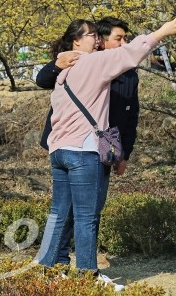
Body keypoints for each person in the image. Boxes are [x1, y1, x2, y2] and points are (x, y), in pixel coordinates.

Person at [37, 17, 176, 290]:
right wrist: (161, 32)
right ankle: (87, 276)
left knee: (58, 213)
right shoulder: (93, 63)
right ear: (76, 41)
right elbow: (131, 53)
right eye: (91, 35)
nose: (97, 39)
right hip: (83, 151)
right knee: (86, 216)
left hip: (59, 152)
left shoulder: (62, 73)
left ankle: (47, 270)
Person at [36, 17, 139, 267]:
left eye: (126, 38)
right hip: (77, 145)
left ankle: (56, 264)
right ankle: (68, 266)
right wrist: (56, 63)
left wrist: (124, 153)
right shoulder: (83, 64)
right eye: (118, 38)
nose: (123, 43)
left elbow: (130, 115)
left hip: (102, 148)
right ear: (102, 41)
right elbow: (42, 80)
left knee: (87, 211)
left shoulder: (127, 74)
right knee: (76, 213)